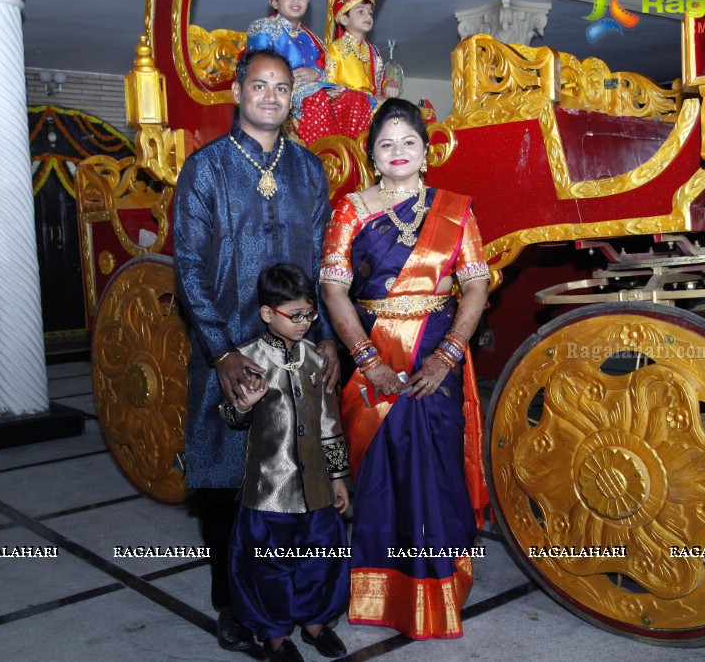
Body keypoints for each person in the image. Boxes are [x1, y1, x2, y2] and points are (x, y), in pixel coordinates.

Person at [173, 47, 339, 653]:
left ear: (292, 96)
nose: (271, 95)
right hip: (230, 356)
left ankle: (301, 605)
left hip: (297, 358)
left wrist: (324, 337)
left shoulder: (308, 171)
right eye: (260, 85)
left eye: (282, 87)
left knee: (297, 485)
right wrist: (221, 353)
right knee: (225, 487)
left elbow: (323, 266)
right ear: (238, 92)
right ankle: (230, 606)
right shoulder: (207, 169)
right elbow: (188, 268)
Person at [320, 98, 490, 639]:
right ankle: (381, 592)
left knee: (434, 464)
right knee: (382, 468)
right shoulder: (350, 209)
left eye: (408, 142)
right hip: (374, 352)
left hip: (436, 352)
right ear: (372, 154)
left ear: (425, 152)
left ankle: (438, 590)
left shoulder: (456, 209)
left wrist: (449, 354)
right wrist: (368, 363)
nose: (398, 152)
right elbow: (332, 287)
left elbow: (477, 284)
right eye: (386, 143)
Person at [223, 263, 351, 662]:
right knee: (269, 565)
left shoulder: (316, 358)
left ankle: (314, 621)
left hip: (316, 487)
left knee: (320, 557)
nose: (304, 323)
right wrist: (242, 409)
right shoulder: (245, 359)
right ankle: (276, 634)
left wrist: (339, 477)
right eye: (294, 315)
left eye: (310, 315)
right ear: (267, 313)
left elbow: (329, 420)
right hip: (269, 489)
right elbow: (230, 416)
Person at [247, 0, 370, 145]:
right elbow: (256, 67)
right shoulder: (263, 27)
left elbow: (327, 70)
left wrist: (317, 73)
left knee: (356, 100)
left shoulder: (312, 38)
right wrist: (291, 77)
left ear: (308, 1)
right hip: (283, 92)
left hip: (318, 91)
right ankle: (327, 154)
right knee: (315, 96)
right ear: (275, 2)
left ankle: (350, 154)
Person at [323, 0, 399, 125]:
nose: (368, 16)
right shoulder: (335, 48)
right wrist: (365, 98)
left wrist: (389, 83)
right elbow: (329, 89)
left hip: (371, 108)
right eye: (361, 11)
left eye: (370, 13)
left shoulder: (373, 52)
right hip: (347, 110)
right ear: (344, 19)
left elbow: (381, 81)